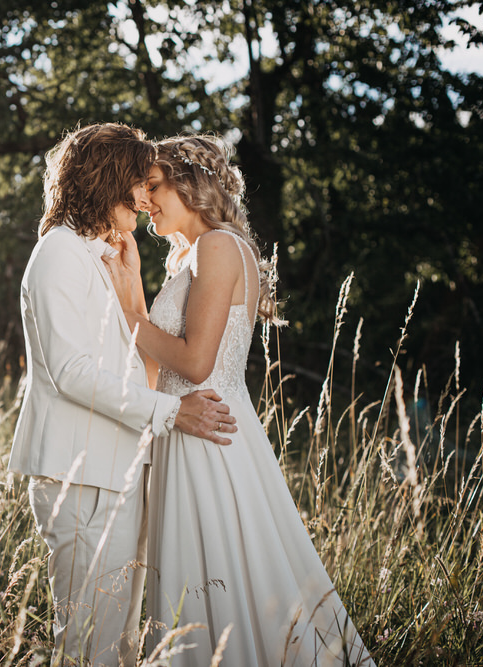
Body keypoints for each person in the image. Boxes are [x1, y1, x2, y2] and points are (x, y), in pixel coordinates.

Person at [102, 134, 374, 665]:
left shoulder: (218, 247)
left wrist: (131, 317)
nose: (144, 199)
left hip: (209, 435)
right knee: (203, 574)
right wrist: (133, 288)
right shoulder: (191, 257)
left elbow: (197, 361)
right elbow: (157, 367)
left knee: (221, 571)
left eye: (153, 186)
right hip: (187, 428)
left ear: (190, 184)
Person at [8, 122, 238, 667]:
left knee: (120, 645)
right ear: (106, 179)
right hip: (80, 478)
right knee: (90, 644)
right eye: (138, 181)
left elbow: (136, 372)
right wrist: (173, 414)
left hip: (119, 475)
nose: (145, 197)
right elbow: (72, 372)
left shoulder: (104, 258)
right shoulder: (59, 252)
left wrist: (132, 289)